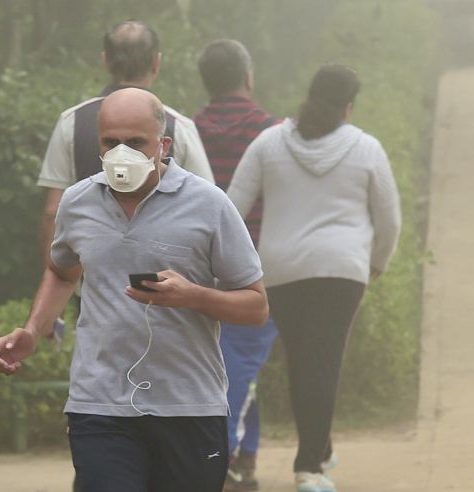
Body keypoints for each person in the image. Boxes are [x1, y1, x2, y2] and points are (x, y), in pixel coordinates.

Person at [0, 87, 269, 492]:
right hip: (99, 404)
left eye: (136, 142)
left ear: (163, 144)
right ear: (98, 145)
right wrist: (33, 330)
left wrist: (192, 295)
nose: (122, 153)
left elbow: (256, 306)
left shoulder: (209, 205)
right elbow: (63, 273)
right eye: (111, 142)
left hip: (189, 405)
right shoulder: (77, 202)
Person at [227, 64, 402, 492]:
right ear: (348, 107)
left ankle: (318, 449)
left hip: (281, 271)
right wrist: (377, 261)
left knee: (303, 361)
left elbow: (231, 206)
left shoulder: (269, 144)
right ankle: (309, 469)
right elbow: (389, 219)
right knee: (321, 363)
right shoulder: (366, 148)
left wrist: (237, 265)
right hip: (342, 270)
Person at [37, 19, 213, 267]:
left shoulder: (71, 121)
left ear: (106, 60)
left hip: (89, 279)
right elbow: (206, 209)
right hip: (164, 283)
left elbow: (52, 211)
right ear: (156, 62)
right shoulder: (180, 126)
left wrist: (55, 276)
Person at [193, 39, 280, 492]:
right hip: (258, 268)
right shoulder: (274, 131)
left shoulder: (185, 132)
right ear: (248, 78)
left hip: (198, 267)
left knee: (232, 364)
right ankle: (224, 459)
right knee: (240, 364)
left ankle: (244, 456)